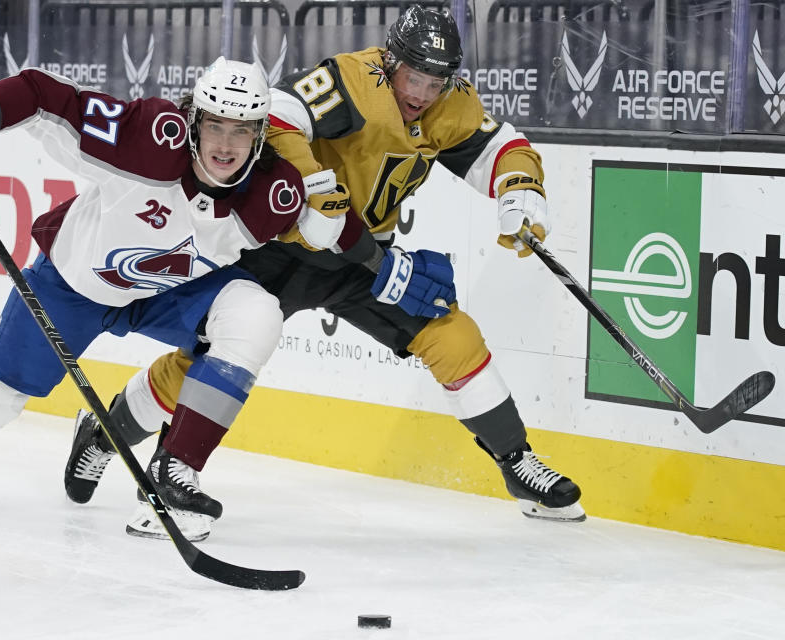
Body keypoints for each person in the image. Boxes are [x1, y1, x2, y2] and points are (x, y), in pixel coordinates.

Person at [0, 57, 455, 542]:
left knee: (255, 314)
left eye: (242, 129)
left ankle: (175, 471)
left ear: (261, 134)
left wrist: (391, 268)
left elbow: (333, 233)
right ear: (191, 121)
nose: (226, 143)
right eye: (214, 124)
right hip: (74, 287)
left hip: (173, 291)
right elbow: (40, 94)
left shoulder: (273, 190)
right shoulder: (145, 138)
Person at [64, 4, 584, 539]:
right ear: (391, 59)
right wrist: (313, 186)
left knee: (453, 336)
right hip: (284, 246)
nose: (423, 94)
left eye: (436, 81)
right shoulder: (352, 80)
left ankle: (517, 463)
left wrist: (520, 188)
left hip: (364, 259)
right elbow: (282, 114)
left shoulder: (450, 106)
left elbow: (500, 145)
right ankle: (118, 440)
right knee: (211, 360)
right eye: (414, 77)